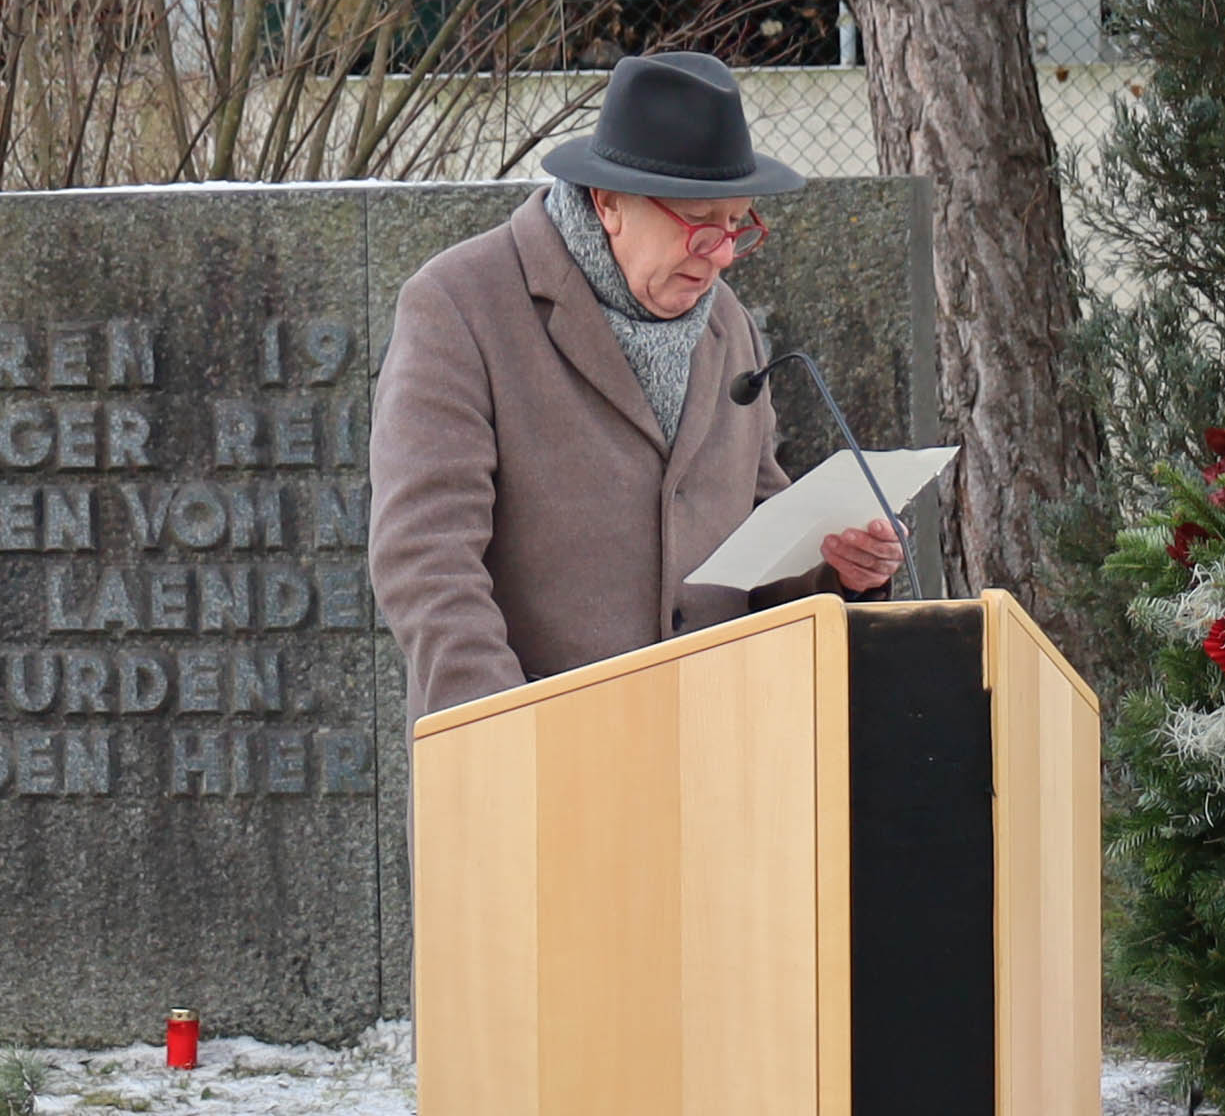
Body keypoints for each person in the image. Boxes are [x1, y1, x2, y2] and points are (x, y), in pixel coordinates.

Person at [369, 50, 902, 718]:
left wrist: (839, 572)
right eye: (699, 224)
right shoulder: (460, 305)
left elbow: (758, 554)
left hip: (718, 772)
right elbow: (425, 560)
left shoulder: (728, 325)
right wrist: (503, 734)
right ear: (609, 201)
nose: (724, 254)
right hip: (538, 774)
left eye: (737, 224)